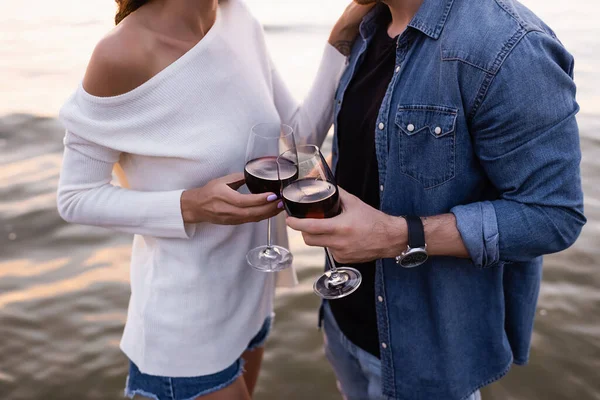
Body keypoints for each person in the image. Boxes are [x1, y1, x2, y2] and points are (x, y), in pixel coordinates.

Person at [56, 1, 372, 399]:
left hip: (251, 305)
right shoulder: (121, 54)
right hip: (186, 333)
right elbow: (75, 197)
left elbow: (295, 136)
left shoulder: (238, 18)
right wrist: (190, 205)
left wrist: (342, 32)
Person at [287, 0, 586, 399]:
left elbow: (554, 215)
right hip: (343, 327)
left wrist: (398, 235)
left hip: (425, 359)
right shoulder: (368, 27)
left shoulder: (509, 45)